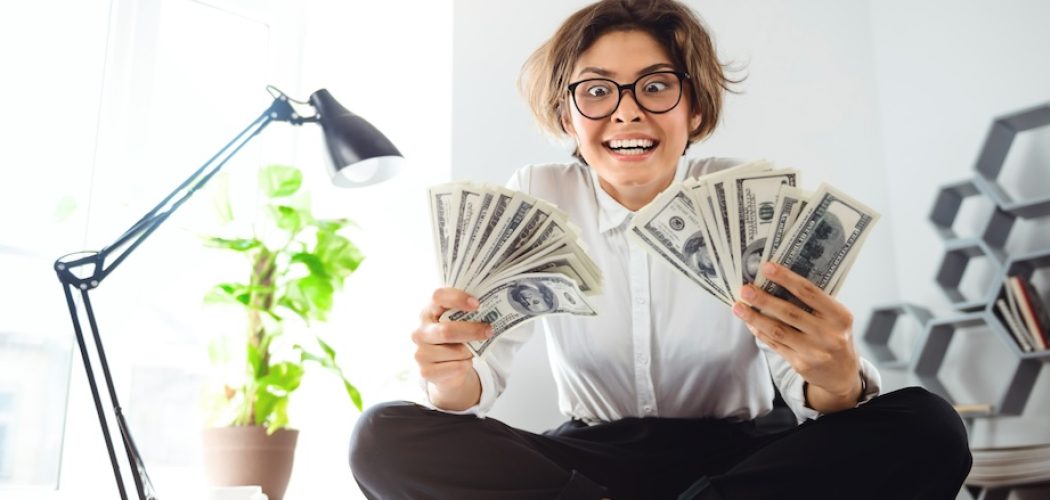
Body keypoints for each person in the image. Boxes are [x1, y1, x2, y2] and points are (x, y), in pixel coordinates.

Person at [349, 1, 971, 499]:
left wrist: (837, 380)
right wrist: (451, 376)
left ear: (693, 108)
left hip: (743, 460)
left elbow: (808, 391)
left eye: (655, 87)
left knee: (929, 428)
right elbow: (479, 378)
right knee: (381, 435)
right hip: (590, 470)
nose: (625, 113)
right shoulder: (539, 192)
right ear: (567, 115)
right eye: (596, 91)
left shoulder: (749, 197)